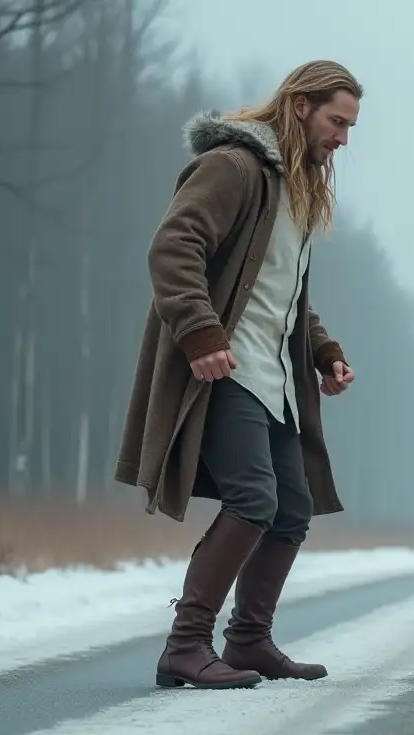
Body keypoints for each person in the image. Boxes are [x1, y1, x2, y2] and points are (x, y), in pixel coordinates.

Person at [114, 60, 362, 690]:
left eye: (351, 125)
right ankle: (186, 644)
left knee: (291, 508)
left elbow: (282, 293)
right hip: (226, 369)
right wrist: (200, 332)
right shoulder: (234, 167)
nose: (343, 137)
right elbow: (173, 247)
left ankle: (249, 641)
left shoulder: (296, 187)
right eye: (337, 120)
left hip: (274, 374)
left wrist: (324, 350)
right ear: (301, 106)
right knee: (253, 499)